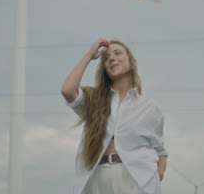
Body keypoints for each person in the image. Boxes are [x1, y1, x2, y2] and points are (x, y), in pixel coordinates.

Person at [61, 38, 168, 194]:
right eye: (106, 58)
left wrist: (157, 174)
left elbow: (160, 150)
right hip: (97, 177)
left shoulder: (149, 107)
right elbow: (68, 91)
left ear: (133, 62)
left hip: (136, 179)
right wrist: (90, 55)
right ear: (105, 68)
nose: (111, 58)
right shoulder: (94, 99)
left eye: (117, 53)